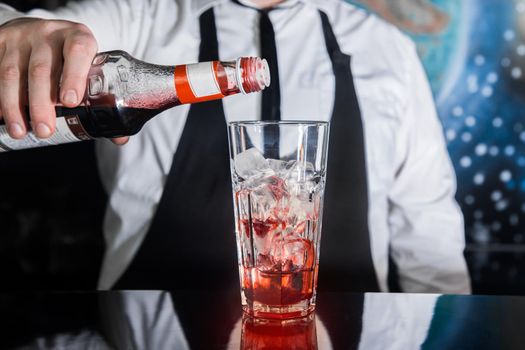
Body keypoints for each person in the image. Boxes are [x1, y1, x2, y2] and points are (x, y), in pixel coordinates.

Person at [0, 0, 471, 293]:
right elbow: (33, 29)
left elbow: (427, 228)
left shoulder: (386, 47)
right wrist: (17, 36)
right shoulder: (139, 20)